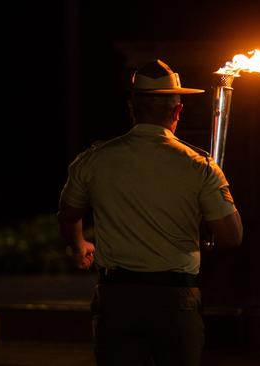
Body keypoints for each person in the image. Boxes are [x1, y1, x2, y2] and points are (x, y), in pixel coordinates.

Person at [58, 59, 243, 366]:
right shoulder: (200, 165)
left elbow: (68, 214)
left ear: (132, 107)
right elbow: (232, 236)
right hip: (175, 302)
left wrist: (78, 246)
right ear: (178, 111)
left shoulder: (93, 160)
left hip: (116, 299)